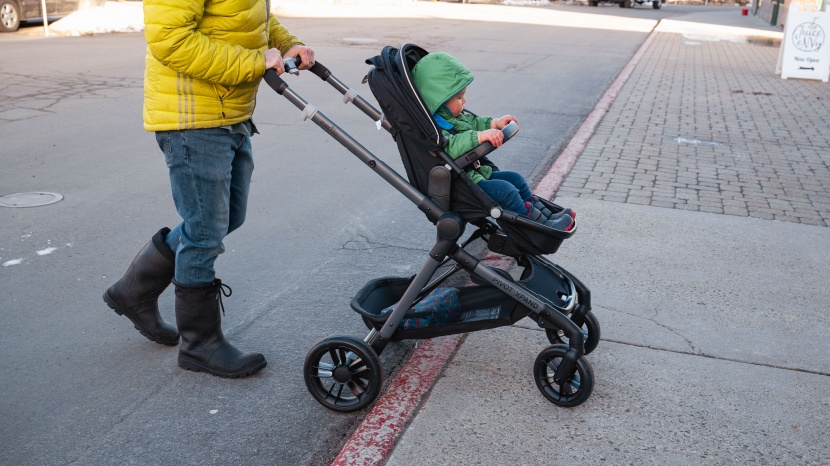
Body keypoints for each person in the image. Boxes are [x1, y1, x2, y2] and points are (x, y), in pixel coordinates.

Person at [103, 0, 315, 378]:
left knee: (226, 219)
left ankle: (132, 292)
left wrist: (287, 45)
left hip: (228, 113)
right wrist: (255, 63)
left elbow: (248, 18)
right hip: (192, 119)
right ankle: (199, 344)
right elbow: (171, 40)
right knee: (204, 231)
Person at [411, 52, 574, 230]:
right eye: (459, 98)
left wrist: (494, 123)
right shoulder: (434, 128)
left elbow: (473, 122)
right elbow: (451, 146)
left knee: (515, 179)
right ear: (438, 101)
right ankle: (537, 226)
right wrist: (479, 137)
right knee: (505, 190)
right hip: (462, 185)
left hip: (477, 174)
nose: (464, 100)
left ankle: (545, 216)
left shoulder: (453, 117)